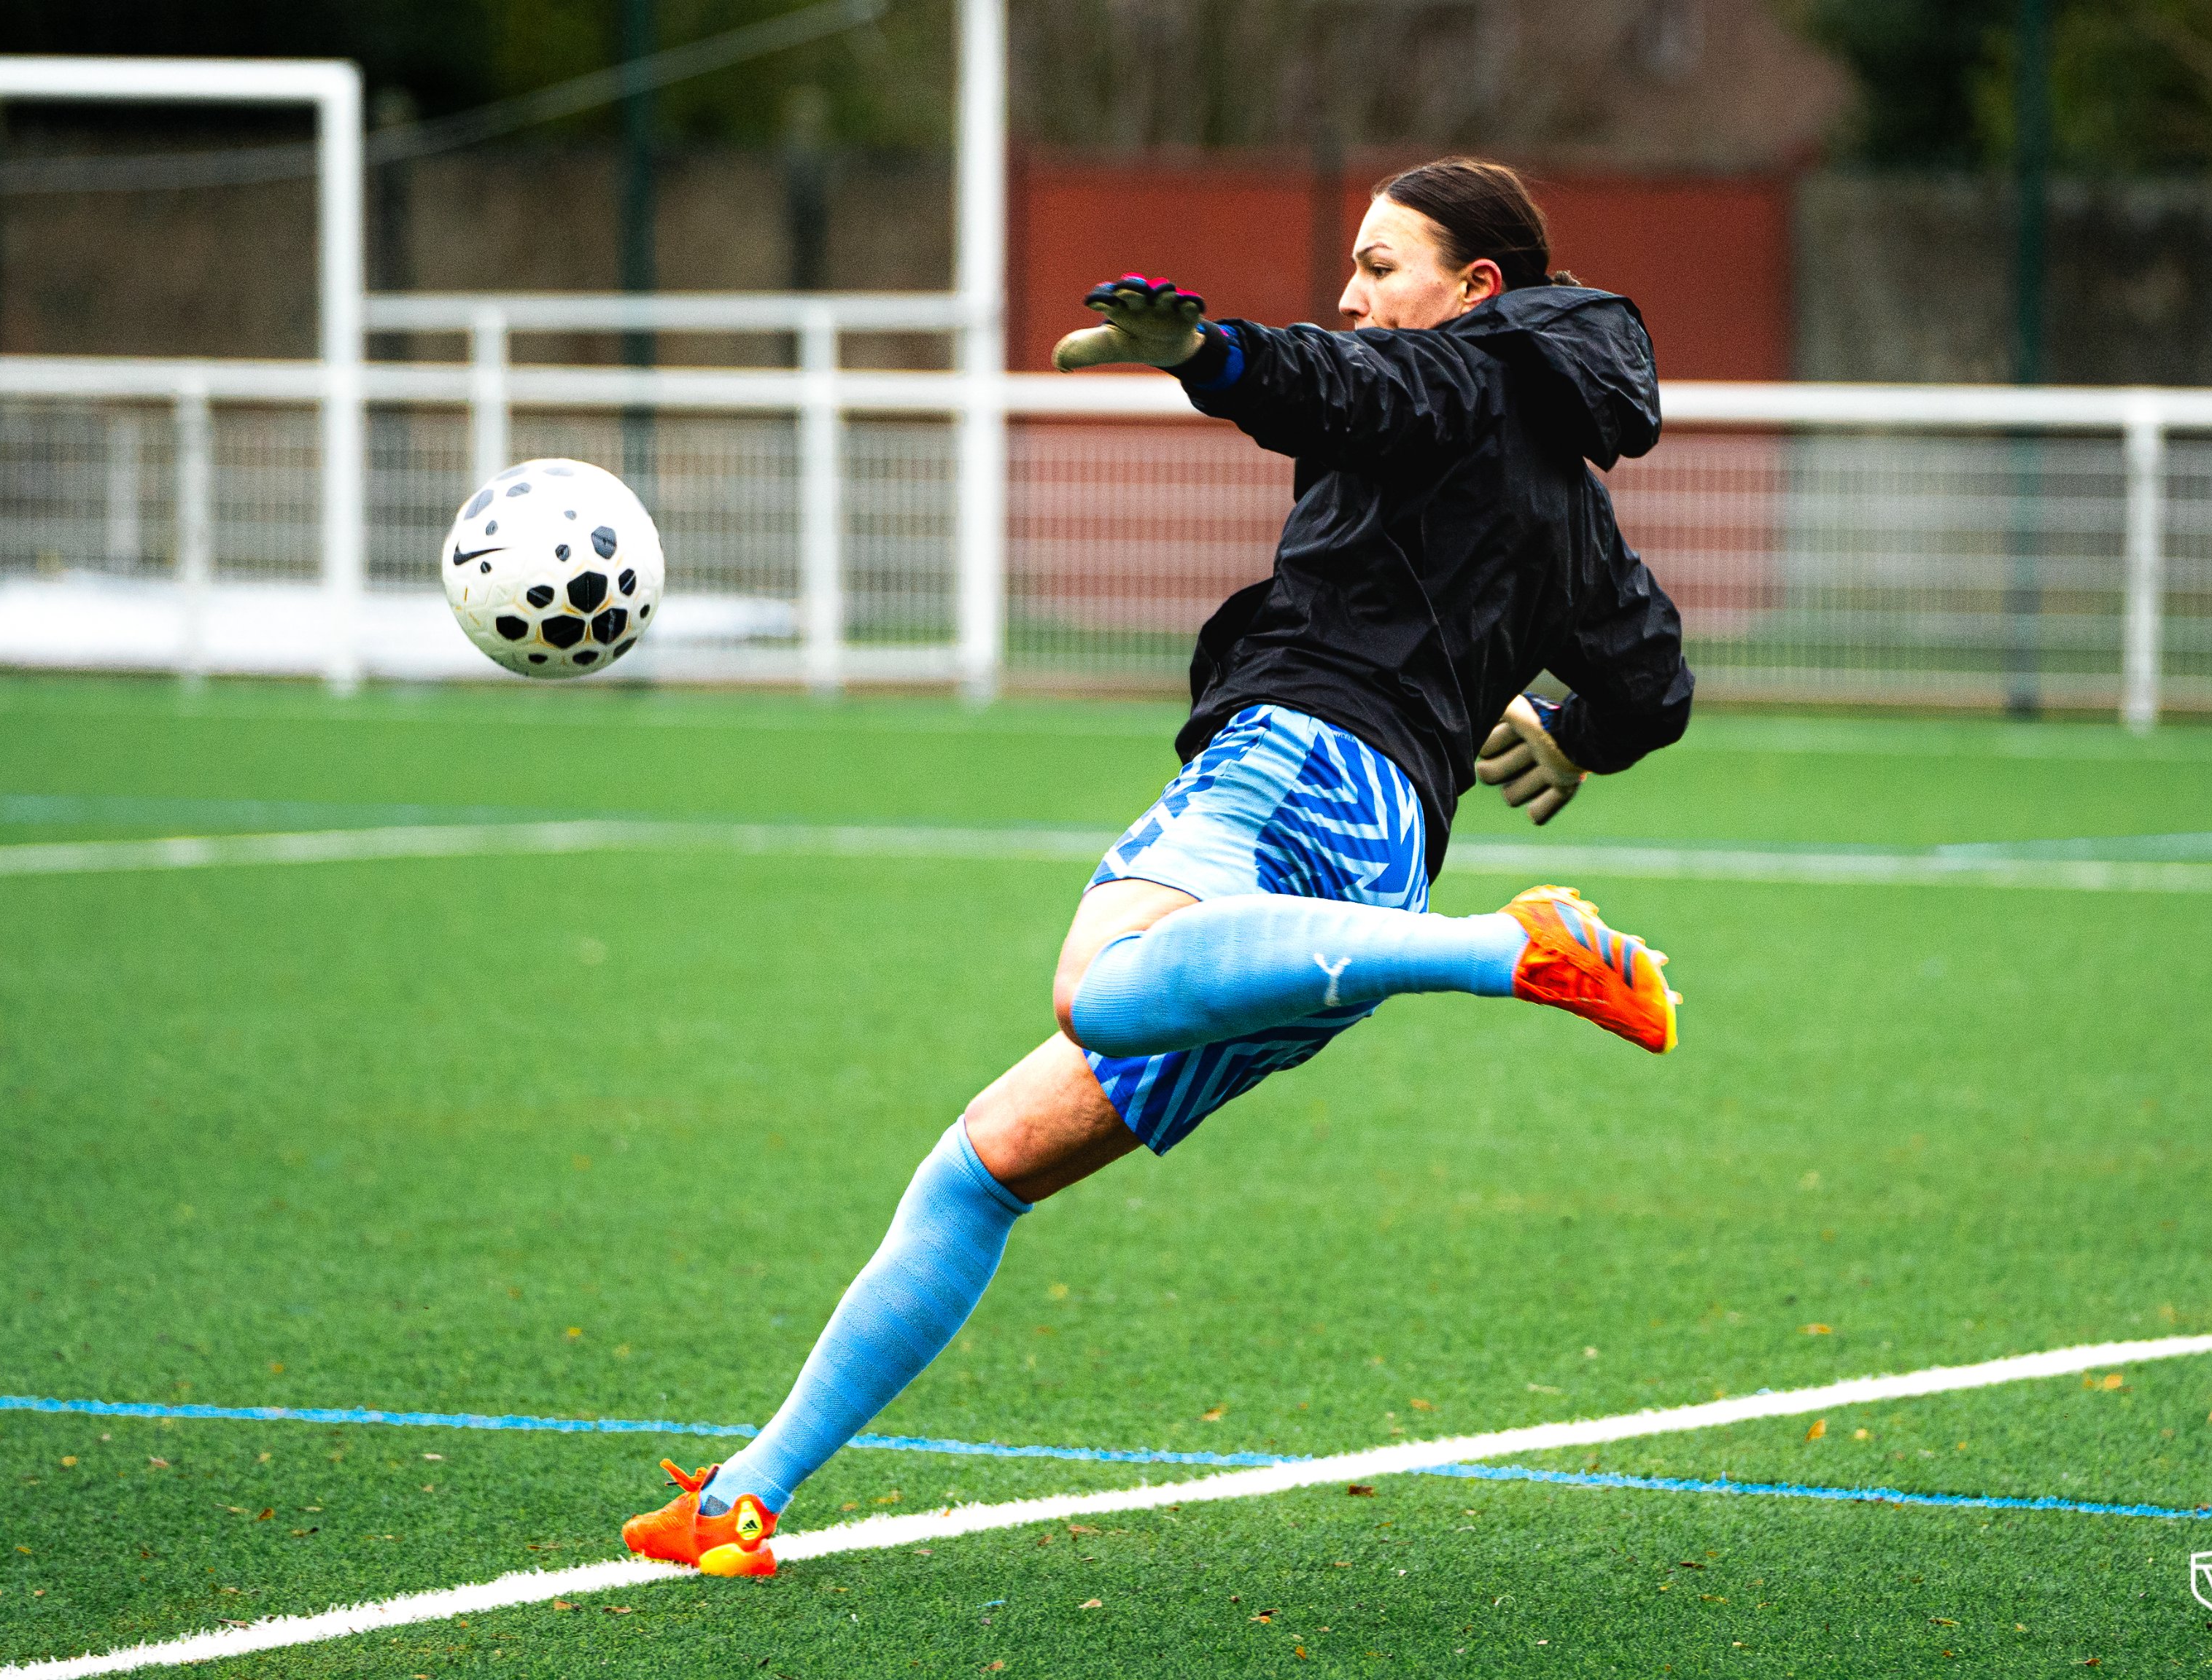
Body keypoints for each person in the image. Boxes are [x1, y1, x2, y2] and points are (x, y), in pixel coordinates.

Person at [624, 155, 1693, 1576]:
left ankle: (1507, 948)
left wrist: (1208, 352)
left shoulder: (1450, 377)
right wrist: (1569, 729)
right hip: (1363, 874)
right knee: (985, 1165)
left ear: (1472, 289)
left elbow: (1342, 386)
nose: (1351, 291)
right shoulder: (1566, 491)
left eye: (1381, 266)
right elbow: (1650, 678)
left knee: (1098, 989)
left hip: (1292, 771)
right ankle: (742, 1495)